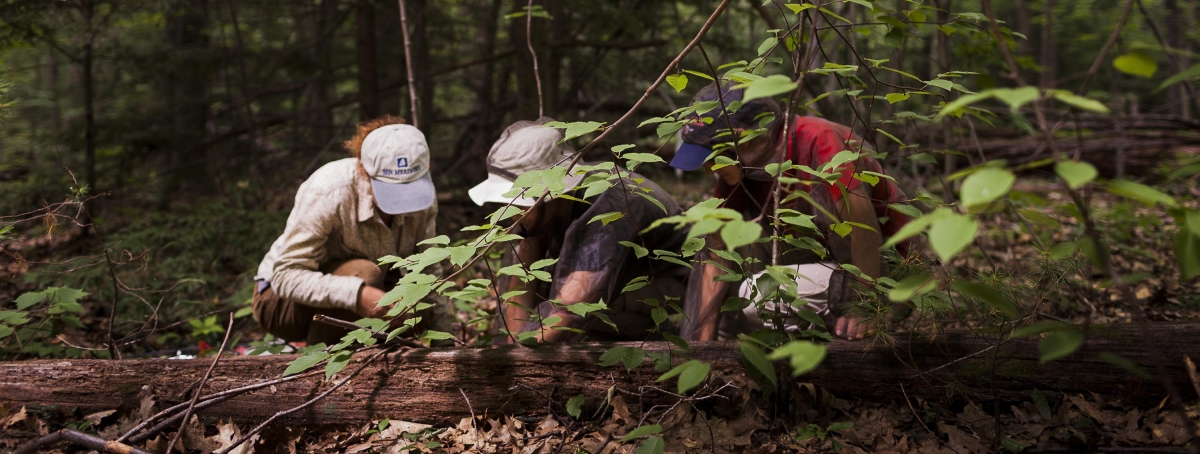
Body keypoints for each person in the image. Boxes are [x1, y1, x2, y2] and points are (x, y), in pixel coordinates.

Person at [670, 83, 915, 341]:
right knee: (728, 248)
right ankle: (743, 360)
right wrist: (701, 346)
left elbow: (864, 229)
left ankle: (817, 356)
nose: (709, 170)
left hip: (884, 272)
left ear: (743, 138)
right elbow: (717, 253)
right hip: (818, 262)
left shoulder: (820, 140)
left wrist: (866, 307)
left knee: (758, 296)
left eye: (712, 158)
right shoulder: (741, 166)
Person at [469, 118, 690, 343]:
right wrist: (512, 345)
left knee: (595, 311)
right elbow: (522, 284)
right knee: (546, 292)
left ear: (550, 194)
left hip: (674, 278)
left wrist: (523, 355)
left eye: (519, 203)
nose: (512, 212)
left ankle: (664, 344)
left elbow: (571, 310)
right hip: (626, 270)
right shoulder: (540, 210)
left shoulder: (608, 205)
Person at [254, 116, 452, 344]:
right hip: (279, 302)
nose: (404, 201)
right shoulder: (330, 191)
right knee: (365, 274)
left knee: (418, 307)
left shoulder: (423, 196)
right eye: (393, 191)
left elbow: (428, 268)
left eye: (410, 188)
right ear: (364, 172)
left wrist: (446, 345)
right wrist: (356, 295)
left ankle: (374, 364)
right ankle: (325, 366)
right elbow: (285, 276)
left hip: (370, 291)